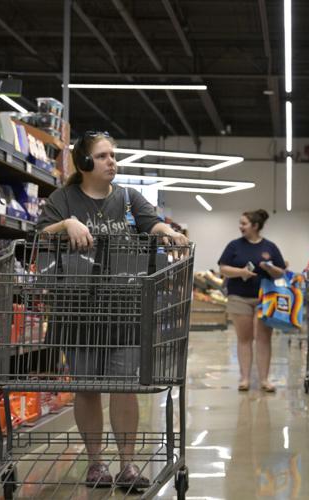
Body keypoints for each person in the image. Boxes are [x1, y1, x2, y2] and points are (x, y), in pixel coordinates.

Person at [37, 130, 189, 490]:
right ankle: (95, 464)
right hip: (76, 308)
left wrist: (168, 231)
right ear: (85, 162)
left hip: (124, 307)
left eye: (113, 156)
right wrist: (67, 224)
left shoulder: (127, 197)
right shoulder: (63, 198)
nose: (112, 162)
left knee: (125, 388)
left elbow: (151, 223)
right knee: (87, 388)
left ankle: (127, 465)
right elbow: (40, 235)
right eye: (104, 156)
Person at [218, 210, 287, 392]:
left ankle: (264, 380)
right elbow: (223, 268)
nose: (240, 227)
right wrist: (241, 272)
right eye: (240, 224)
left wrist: (270, 268)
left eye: (244, 224)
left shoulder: (270, 247)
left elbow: (281, 271)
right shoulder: (234, 246)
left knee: (264, 339)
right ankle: (245, 378)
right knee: (244, 339)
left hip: (265, 298)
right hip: (239, 296)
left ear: (255, 226)